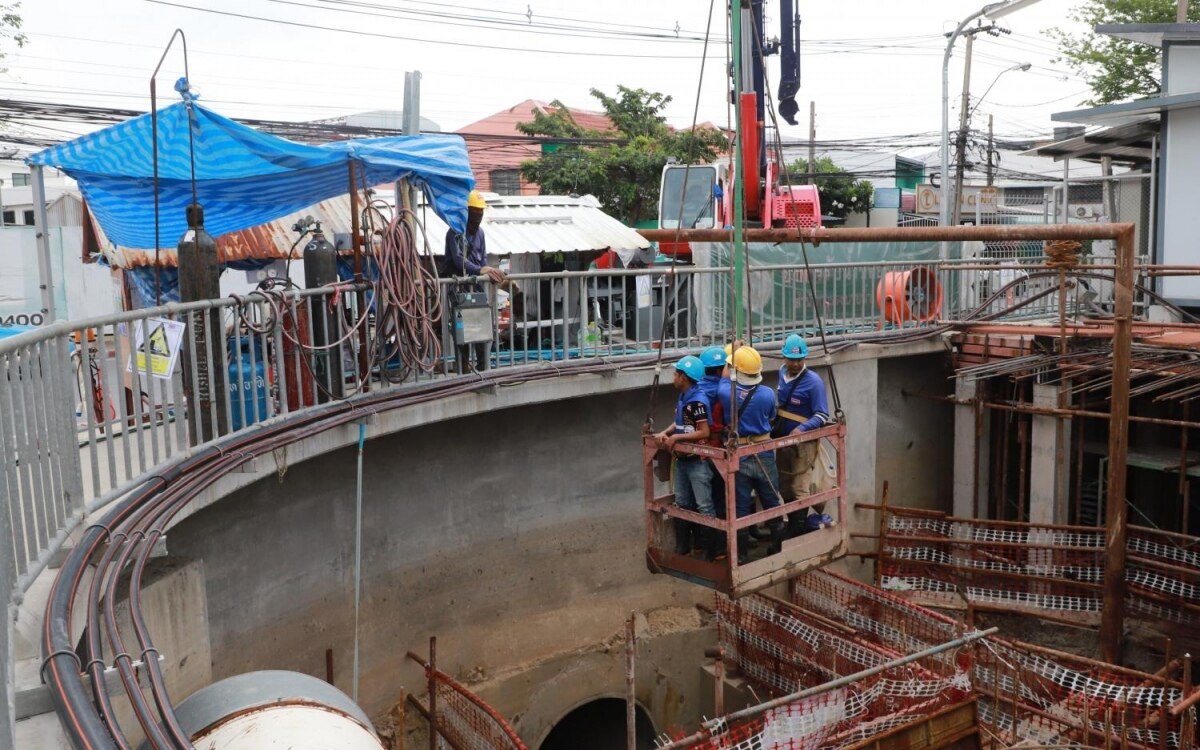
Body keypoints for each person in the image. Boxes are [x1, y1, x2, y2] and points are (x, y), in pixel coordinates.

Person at [718, 345, 785, 564]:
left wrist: (732, 358)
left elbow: (724, 377)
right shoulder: (767, 393)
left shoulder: (726, 393)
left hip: (741, 454)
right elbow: (772, 416)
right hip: (764, 451)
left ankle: (743, 556)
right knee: (771, 499)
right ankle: (777, 548)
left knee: (741, 506)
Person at [653, 356, 716, 560]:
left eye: (676, 373)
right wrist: (666, 432)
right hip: (682, 460)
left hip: (696, 460)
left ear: (684, 377)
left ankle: (708, 550)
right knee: (682, 502)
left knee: (704, 505)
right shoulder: (684, 396)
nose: (673, 377)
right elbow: (679, 422)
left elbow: (704, 431)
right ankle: (683, 546)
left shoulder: (697, 401)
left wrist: (678, 437)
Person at [773, 334, 832, 537]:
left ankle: (797, 530)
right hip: (783, 440)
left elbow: (822, 414)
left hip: (803, 443)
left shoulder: (813, 382)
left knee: (800, 486)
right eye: (792, 359)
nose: (796, 364)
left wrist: (802, 429)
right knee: (784, 485)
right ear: (784, 358)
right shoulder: (782, 374)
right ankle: (791, 525)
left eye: (799, 359)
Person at [444, 190, 506, 373]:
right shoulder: (454, 232)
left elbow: (483, 259)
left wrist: (488, 273)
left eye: (481, 213)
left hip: (477, 287)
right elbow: (457, 260)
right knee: (462, 329)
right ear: (467, 212)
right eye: (475, 213)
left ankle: (482, 369)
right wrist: (480, 270)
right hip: (458, 288)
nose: (478, 217)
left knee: (481, 327)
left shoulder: (480, 234)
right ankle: (463, 370)